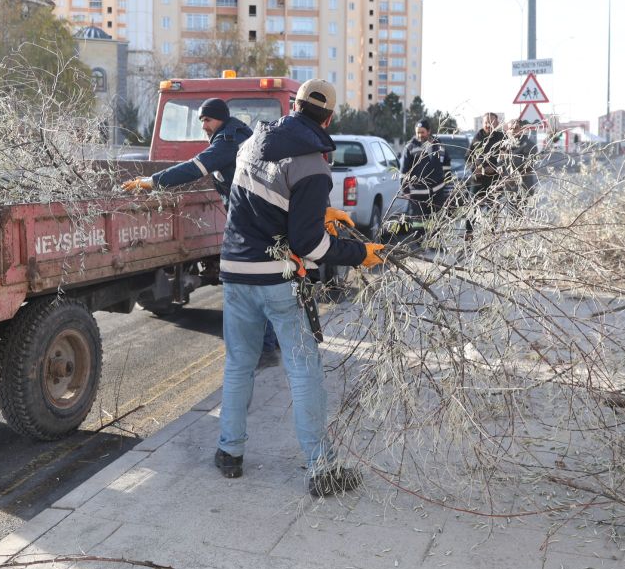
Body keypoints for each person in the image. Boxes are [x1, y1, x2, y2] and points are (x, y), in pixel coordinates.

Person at [215, 78, 385, 497]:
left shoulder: (253, 140)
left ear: (294, 106)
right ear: (328, 118)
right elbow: (308, 244)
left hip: (234, 269)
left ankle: (229, 453)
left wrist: (321, 210)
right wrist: (359, 254)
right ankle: (321, 467)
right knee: (304, 369)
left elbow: (262, 202)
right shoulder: (312, 162)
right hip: (275, 279)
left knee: (239, 363)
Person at [121, 97, 281, 365]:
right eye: (201, 121)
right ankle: (269, 344)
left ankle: (264, 351)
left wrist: (152, 182)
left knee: (251, 287)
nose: (203, 125)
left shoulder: (228, 141)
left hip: (254, 223)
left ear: (220, 118)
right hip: (260, 219)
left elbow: (195, 168)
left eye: (207, 119)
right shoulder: (239, 135)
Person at [398, 119, 450, 220]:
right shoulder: (410, 148)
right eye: (418, 132)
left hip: (437, 194)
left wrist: (448, 191)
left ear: (429, 131)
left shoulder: (439, 146)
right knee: (418, 228)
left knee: (436, 227)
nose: (420, 135)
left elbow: (447, 169)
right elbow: (403, 172)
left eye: (422, 132)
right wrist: (405, 190)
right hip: (417, 197)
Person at [465, 112, 508, 236]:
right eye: (486, 123)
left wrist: (495, 168)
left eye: (491, 122)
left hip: (494, 181)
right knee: (472, 208)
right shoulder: (477, 137)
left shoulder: (502, 137)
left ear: (497, 123)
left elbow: (507, 159)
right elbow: (468, 157)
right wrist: (474, 169)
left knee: (493, 209)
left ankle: (491, 236)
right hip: (477, 180)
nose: (488, 125)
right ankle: (469, 235)